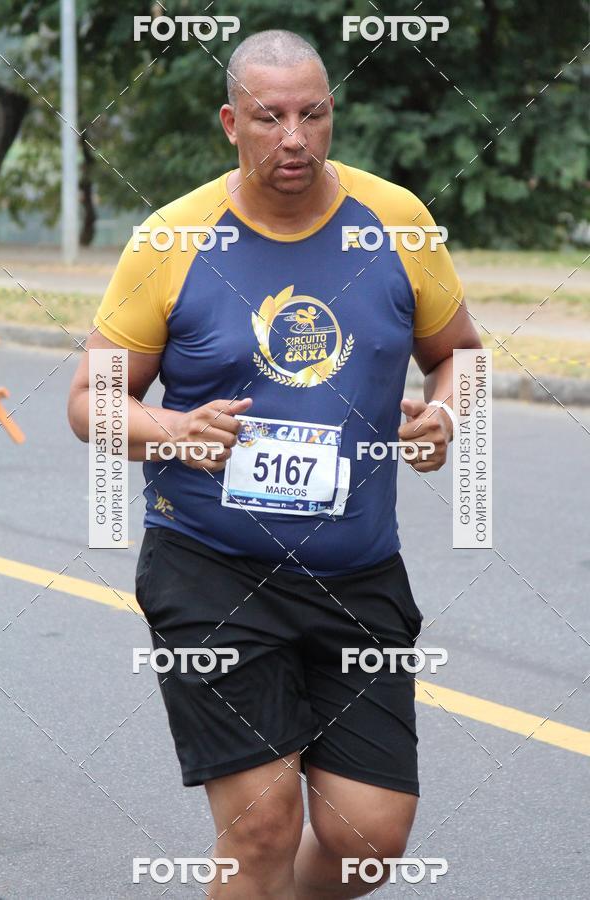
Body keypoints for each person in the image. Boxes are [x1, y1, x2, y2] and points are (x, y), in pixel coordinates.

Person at [68, 29, 481, 899]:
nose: (293, 136)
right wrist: (172, 428)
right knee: (261, 829)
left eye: (313, 113)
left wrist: (445, 413)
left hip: (356, 573)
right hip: (211, 568)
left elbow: (463, 355)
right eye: (269, 117)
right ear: (230, 122)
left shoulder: (397, 222)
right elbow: (89, 402)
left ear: (333, 115)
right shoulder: (172, 237)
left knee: (368, 840)